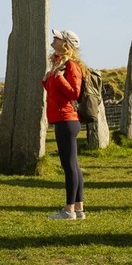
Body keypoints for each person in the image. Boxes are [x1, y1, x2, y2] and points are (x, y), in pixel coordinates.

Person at [43, 28, 87, 220]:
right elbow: (56, 93)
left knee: (69, 166)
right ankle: (78, 209)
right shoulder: (59, 64)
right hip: (61, 118)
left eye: (57, 38)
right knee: (73, 165)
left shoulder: (72, 66)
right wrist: (47, 80)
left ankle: (69, 210)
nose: (53, 39)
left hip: (67, 119)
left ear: (65, 44)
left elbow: (74, 93)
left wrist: (59, 77)